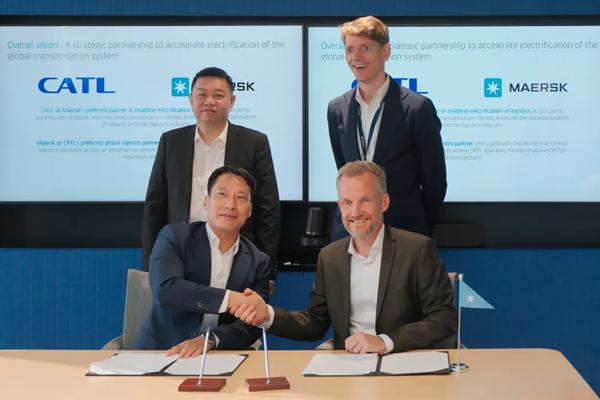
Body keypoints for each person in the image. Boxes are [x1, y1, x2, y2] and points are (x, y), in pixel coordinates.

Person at [232, 161, 457, 354]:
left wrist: (385, 342)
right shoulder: (330, 257)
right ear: (340, 206)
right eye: (348, 202)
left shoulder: (417, 249)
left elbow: (444, 317)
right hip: (350, 365)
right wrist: (267, 315)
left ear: (384, 202)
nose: (355, 212)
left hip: (402, 359)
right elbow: (314, 323)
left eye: (365, 200)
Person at [142, 67, 280, 277]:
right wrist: (149, 266)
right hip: (180, 252)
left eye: (218, 95)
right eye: (202, 95)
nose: (209, 101)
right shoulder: (172, 141)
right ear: (190, 100)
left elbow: (267, 208)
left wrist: (267, 270)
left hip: (236, 253)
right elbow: (155, 206)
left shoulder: (254, 143)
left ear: (232, 101)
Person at [328, 16, 446, 240]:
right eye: (350, 49)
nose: (356, 57)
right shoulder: (336, 108)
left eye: (365, 48)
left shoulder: (417, 108)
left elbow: (435, 182)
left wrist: (418, 229)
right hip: (350, 234)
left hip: (404, 233)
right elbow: (344, 170)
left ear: (385, 52)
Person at [133, 166, 272, 356]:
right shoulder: (174, 237)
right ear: (206, 201)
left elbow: (251, 324)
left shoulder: (259, 261)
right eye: (222, 194)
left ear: (250, 210)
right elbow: (166, 290)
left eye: (240, 198)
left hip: (218, 356)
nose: (230, 205)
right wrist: (229, 298)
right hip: (161, 352)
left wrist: (210, 340)